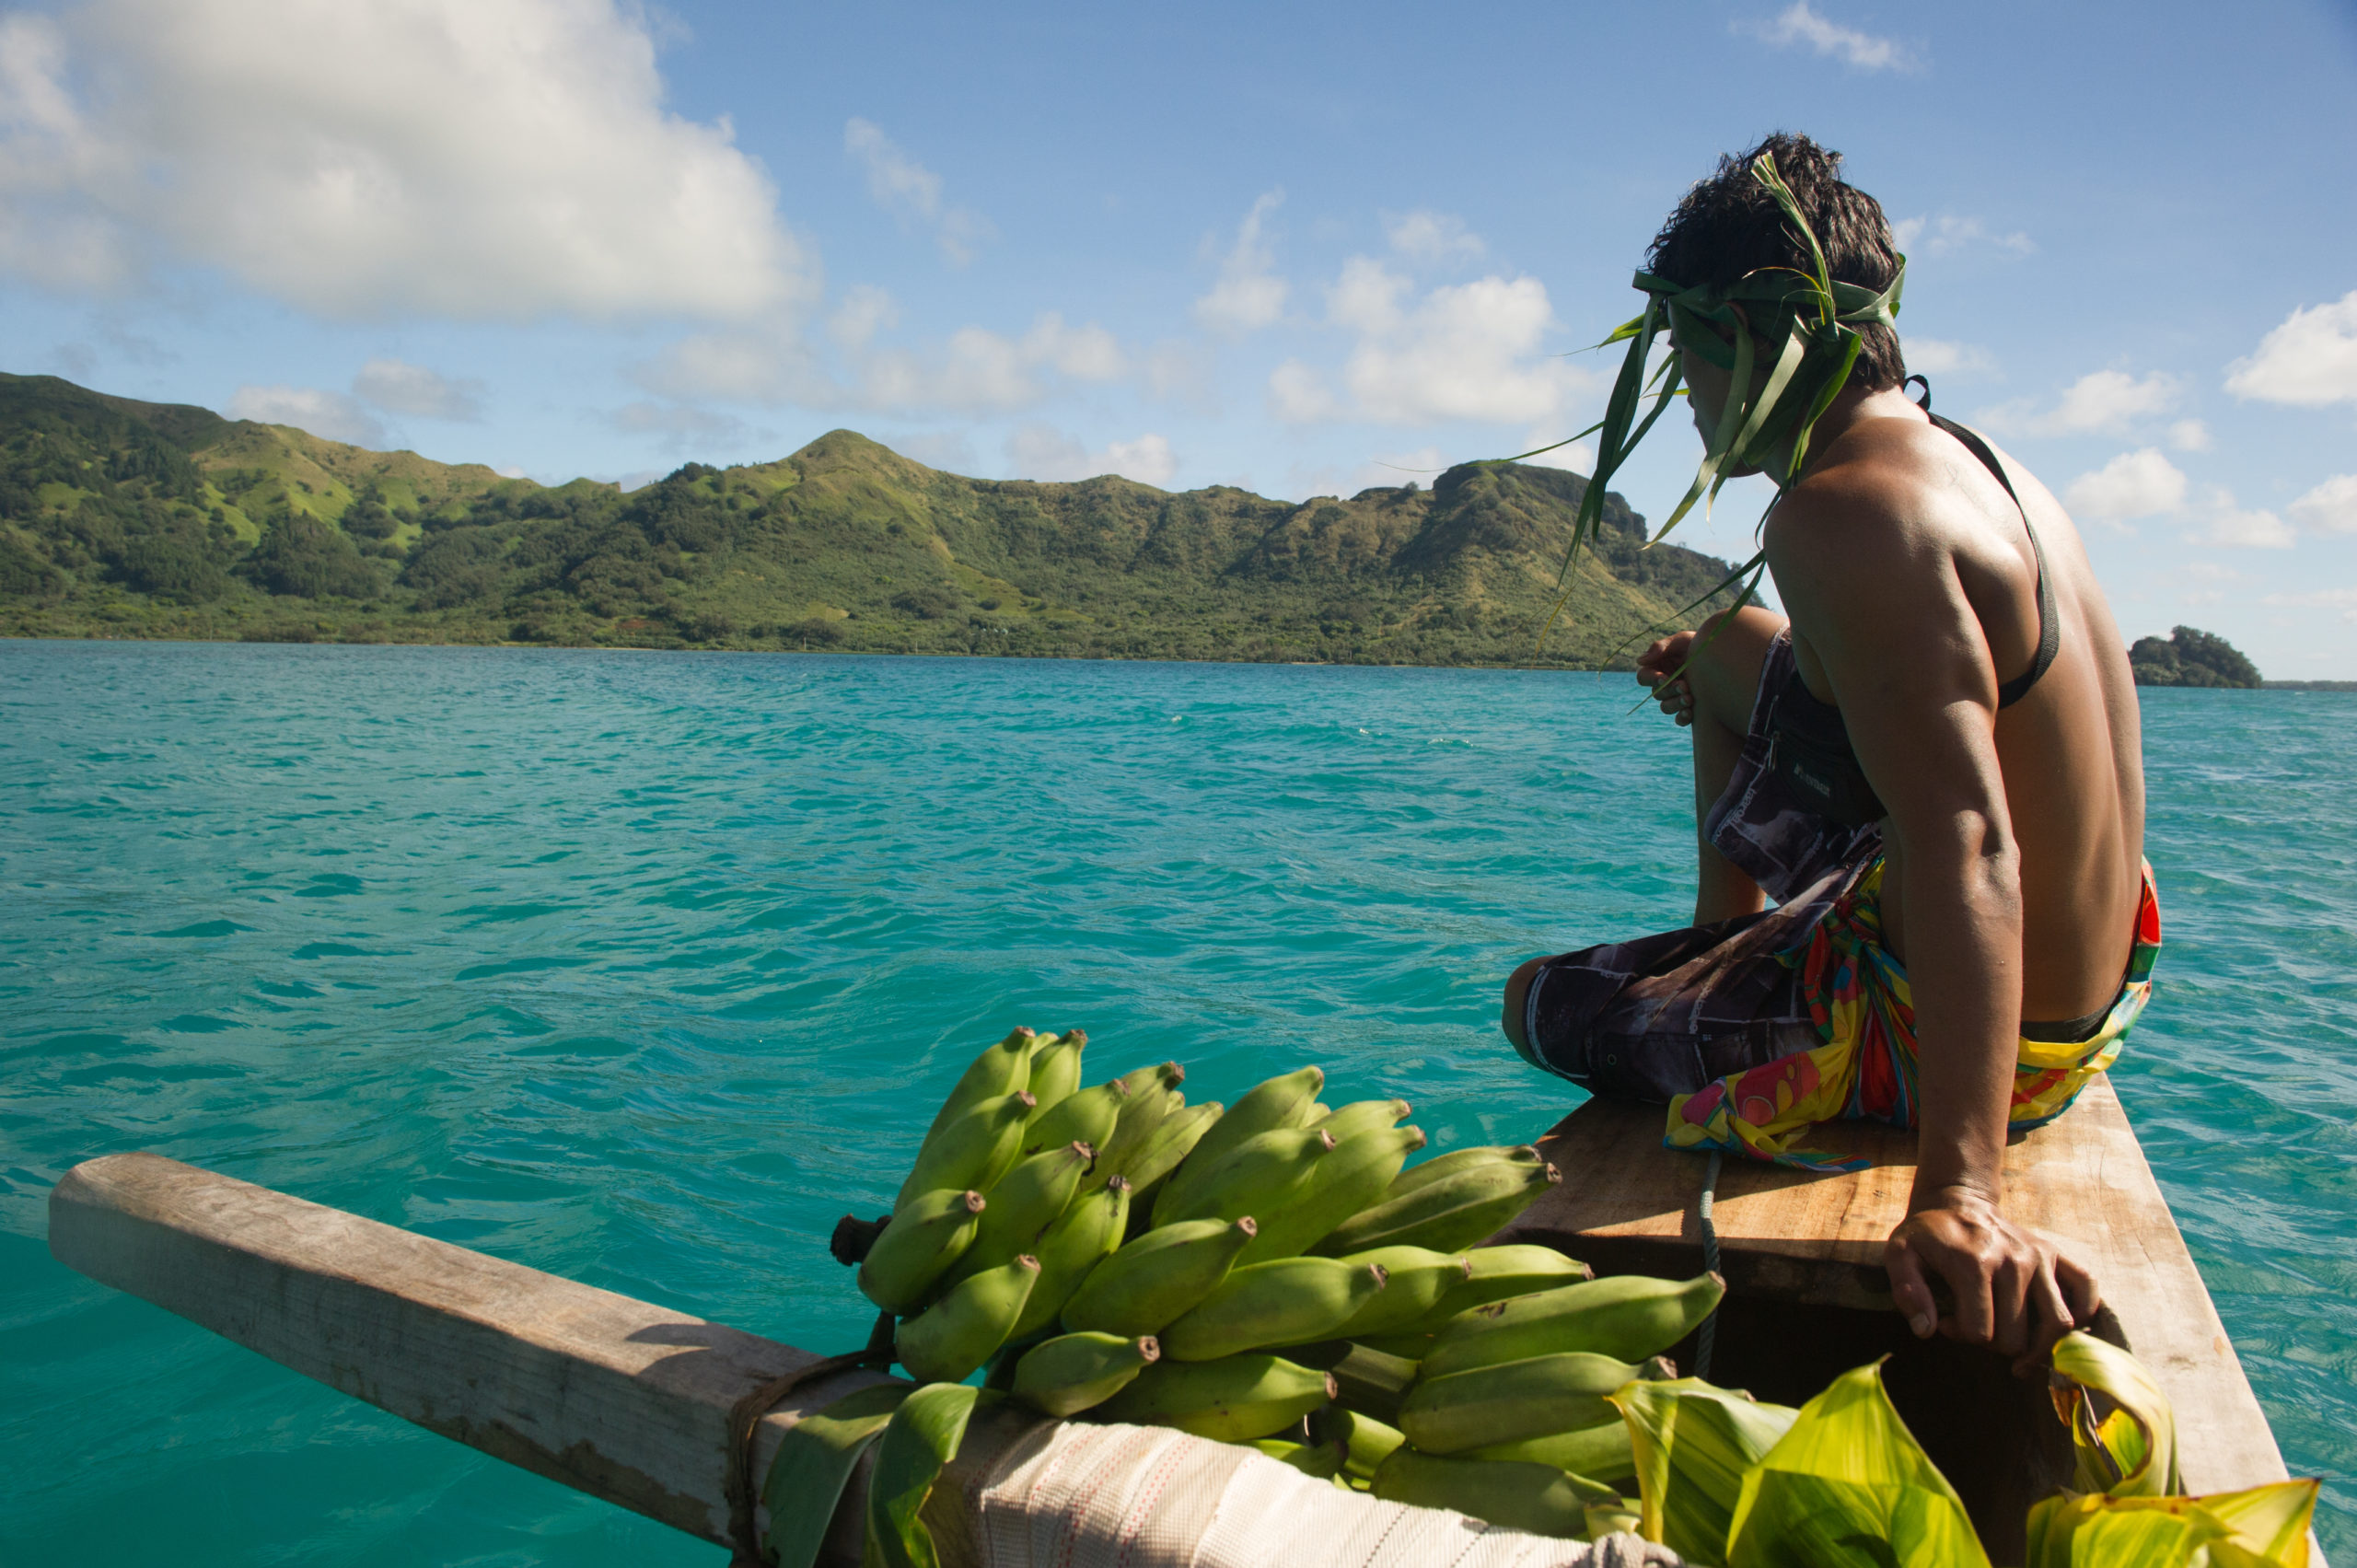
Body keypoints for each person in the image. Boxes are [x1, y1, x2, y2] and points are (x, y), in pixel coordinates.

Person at [1498, 133, 2157, 1373]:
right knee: (1725, 644)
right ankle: (1723, 939)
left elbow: (1969, 839)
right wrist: (1728, 682)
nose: (1686, 395)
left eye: (1685, 356)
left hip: (1967, 1039)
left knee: (1539, 1000)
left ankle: (1746, 992)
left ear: (1753, 335)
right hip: (2095, 979)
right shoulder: (1972, 463)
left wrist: (1960, 1192)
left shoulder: (1837, 512)